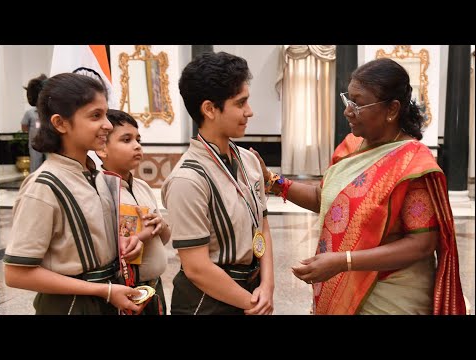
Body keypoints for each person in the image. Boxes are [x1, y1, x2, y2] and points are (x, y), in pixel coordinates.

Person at [251, 57, 466, 315]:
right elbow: (323, 198)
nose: (347, 111)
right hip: (348, 286)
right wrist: (273, 182)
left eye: (358, 103)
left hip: (392, 299)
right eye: (347, 99)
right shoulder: (352, 147)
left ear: (392, 109)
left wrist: (345, 261)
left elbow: (421, 244)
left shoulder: (412, 164)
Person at [4, 73, 144, 315]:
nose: (108, 125)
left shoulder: (96, 176)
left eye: (106, 114)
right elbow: (16, 273)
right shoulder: (44, 186)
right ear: (60, 123)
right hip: (69, 305)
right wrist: (103, 291)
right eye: (95, 116)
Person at [161, 51, 274, 315]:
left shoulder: (248, 161)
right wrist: (254, 304)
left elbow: (264, 228)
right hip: (206, 302)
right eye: (240, 103)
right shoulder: (187, 179)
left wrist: (267, 287)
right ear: (209, 109)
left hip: (252, 291)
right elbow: (197, 268)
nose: (250, 111)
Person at [96, 109, 171, 315]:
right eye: (126, 140)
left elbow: (164, 238)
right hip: (126, 290)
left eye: (138, 139)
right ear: (102, 149)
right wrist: (143, 234)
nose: (137, 145)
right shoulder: (102, 190)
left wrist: (160, 225)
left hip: (154, 286)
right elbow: (119, 249)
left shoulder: (142, 186)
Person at [21, 74, 47, 173]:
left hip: (49, 141)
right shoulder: (30, 113)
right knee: (36, 163)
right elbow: (24, 126)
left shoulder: (48, 111)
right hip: (35, 143)